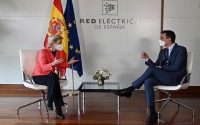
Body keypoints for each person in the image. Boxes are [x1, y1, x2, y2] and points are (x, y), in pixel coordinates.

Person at [113, 30, 187, 125]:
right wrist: (147, 59)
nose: (160, 40)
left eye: (162, 38)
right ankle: (152, 112)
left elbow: (176, 67)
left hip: (175, 78)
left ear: (169, 39)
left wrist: (160, 67)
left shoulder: (181, 49)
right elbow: (155, 66)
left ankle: (130, 89)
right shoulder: (163, 51)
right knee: (148, 81)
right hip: (164, 77)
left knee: (152, 70)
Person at [32, 34, 79, 119]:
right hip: (39, 76)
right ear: (53, 43)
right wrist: (54, 63)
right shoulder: (43, 51)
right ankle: (58, 111)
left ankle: (50, 101)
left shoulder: (57, 52)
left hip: (50, 76)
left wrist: (68, 63)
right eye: (59, 42)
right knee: (54, 78)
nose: (61, 44)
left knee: (54, 78)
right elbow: (43, 67)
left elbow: (59, 65)